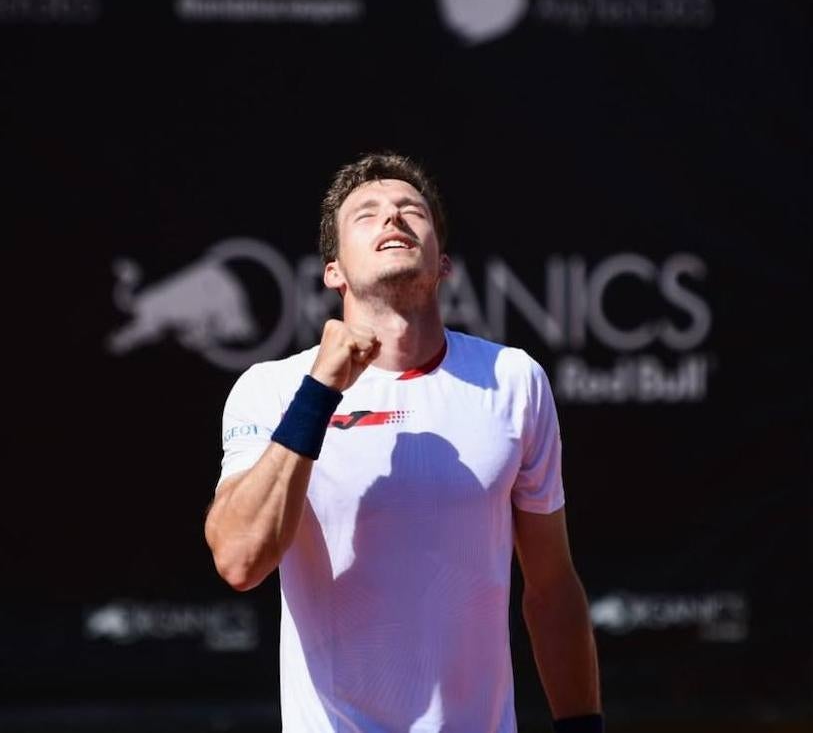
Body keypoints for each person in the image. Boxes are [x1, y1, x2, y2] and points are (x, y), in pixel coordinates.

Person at [204, 153, 603, 733]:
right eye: (366, 214)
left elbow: (551, 585)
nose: (392, 218)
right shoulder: (271, 390)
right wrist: (320, 391)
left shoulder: (515, 380)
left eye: (410, 210)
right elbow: (239, 559)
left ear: (442, 263)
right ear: (333, 270)